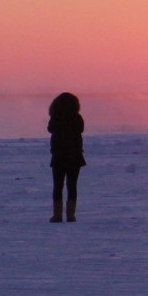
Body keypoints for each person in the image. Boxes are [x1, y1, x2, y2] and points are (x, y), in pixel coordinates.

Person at [47, 91, 85, 222]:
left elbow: (50, 129)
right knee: (72, 185)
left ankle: (57, 215)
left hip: (59, 156)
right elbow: (80, 129)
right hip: (75, 156)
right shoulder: (77, 118)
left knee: (58, 186)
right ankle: (70, 215)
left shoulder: (56, 118)